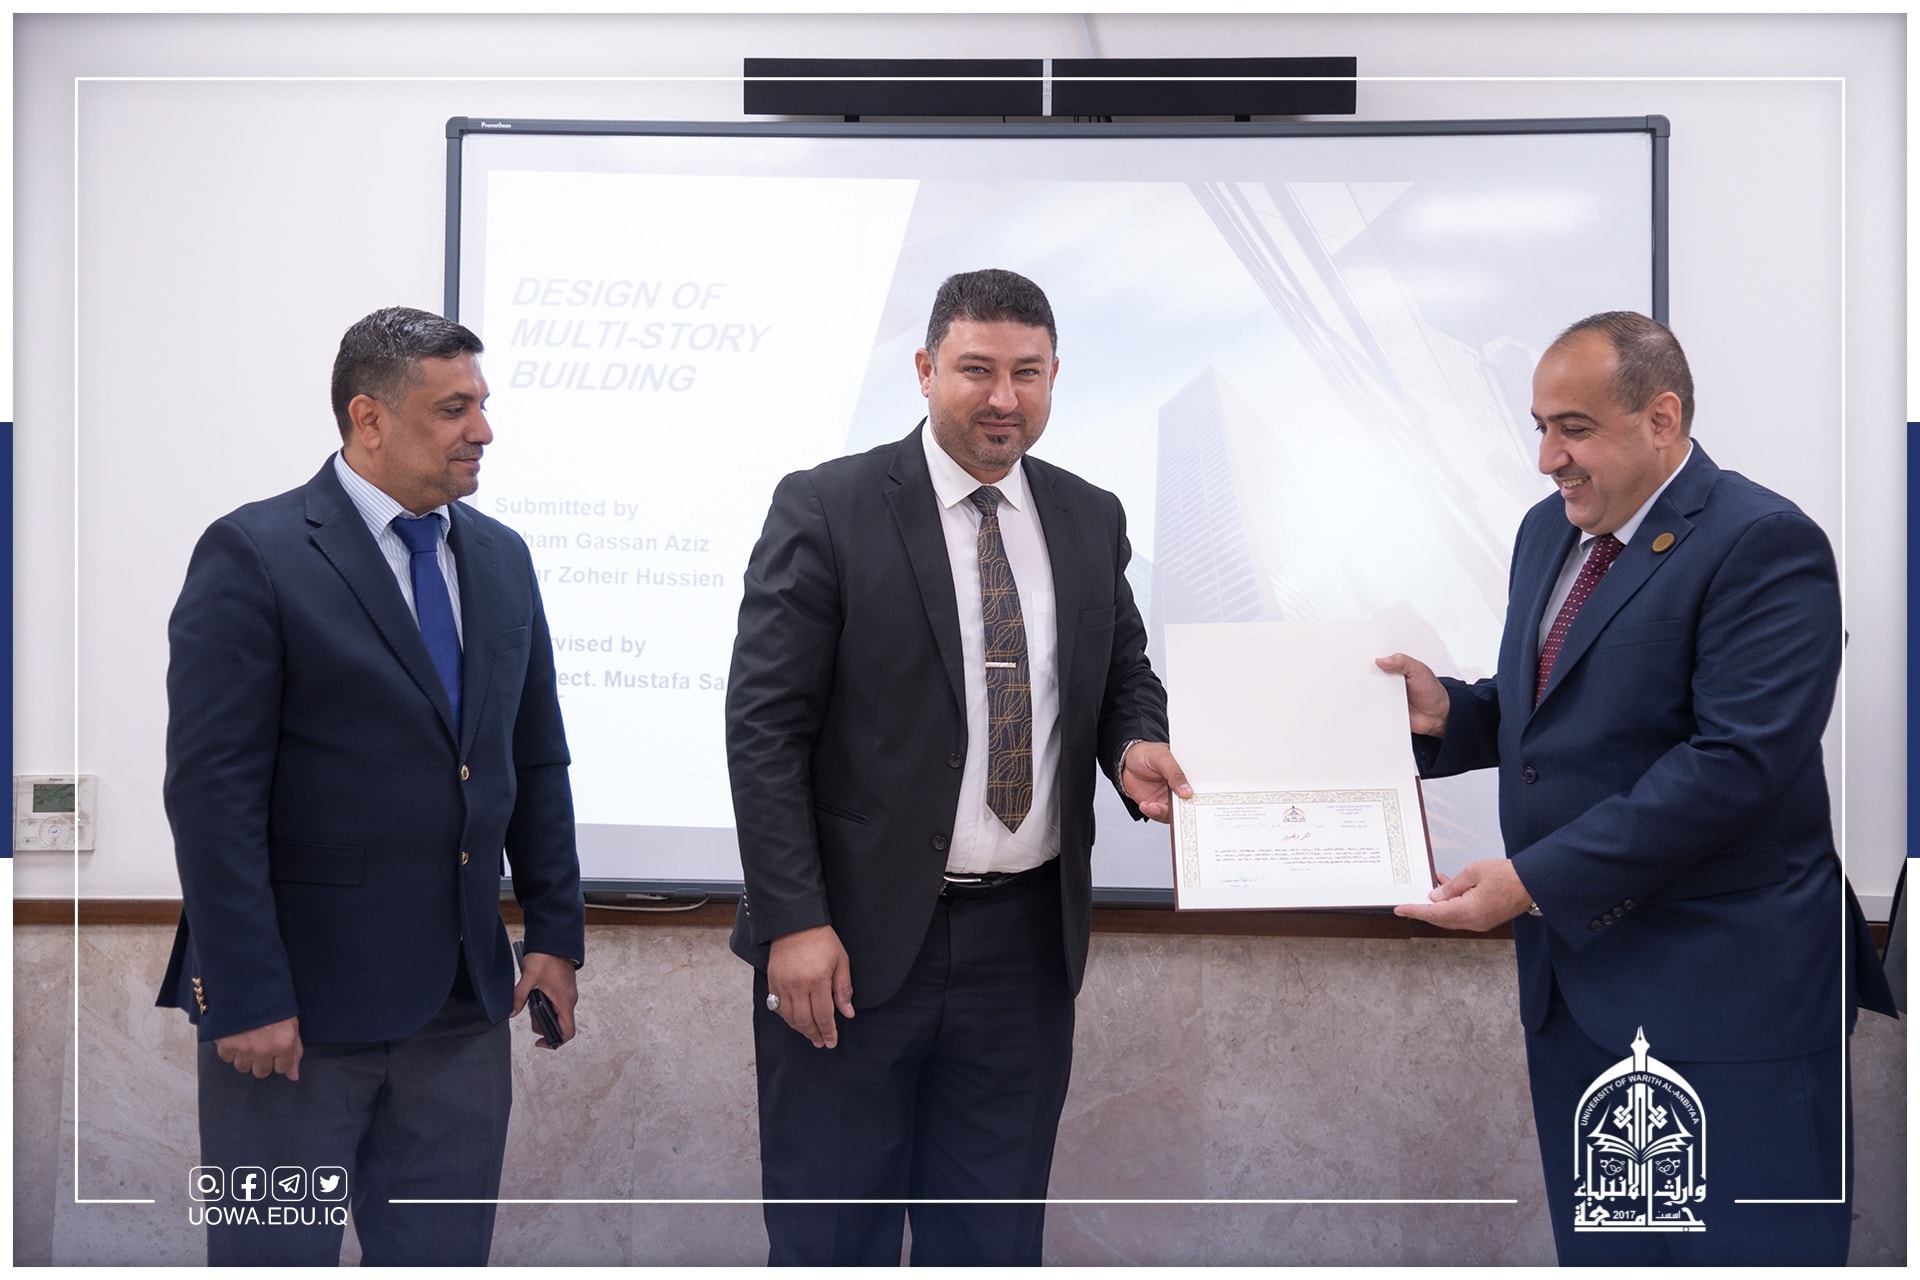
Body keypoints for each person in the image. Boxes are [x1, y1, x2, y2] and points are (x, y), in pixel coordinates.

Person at [1376, 312, 1896, 1265]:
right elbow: (1557, 708)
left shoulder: (1763, 542)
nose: (1547, 459)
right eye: (1539, 427)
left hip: (1729, 999)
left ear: (1662, 418)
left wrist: (1531, 880)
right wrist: (1451, 713)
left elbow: (1735, 764)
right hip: (1576, 997)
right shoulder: (1547, 531)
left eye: (1573, 429)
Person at [726, 268, 1189, 1266]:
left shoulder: (1089, 515)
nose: (1003, 397)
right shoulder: (827, 506)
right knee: (830, 1241)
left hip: (1023, 950)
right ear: (926, 369)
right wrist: (792, 921)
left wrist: (1132, 744)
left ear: (1056, 374)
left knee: (991, 1243)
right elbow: (764, 727)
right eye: (977, 369)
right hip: (849, 946)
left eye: (1028, 372)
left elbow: (1122, 674)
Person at [156, 306, 585, 1266]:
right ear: (369, 417)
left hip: (462, 1013)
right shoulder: (255, 552)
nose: (483, 430)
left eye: (482, 404)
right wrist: (246, 992)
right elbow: (213, 797)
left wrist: (556, 935)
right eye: (454, 409)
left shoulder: (503, 558)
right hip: (294, 1017)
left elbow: (535, 757)